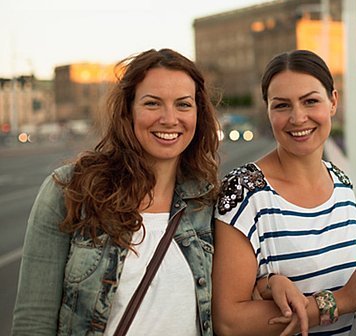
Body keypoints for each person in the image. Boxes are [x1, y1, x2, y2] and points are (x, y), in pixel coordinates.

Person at [212, 49, 356, 336]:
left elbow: (325, 264)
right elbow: (229, 322)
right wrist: (340, 302)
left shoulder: (341, 183)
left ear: (333, 102)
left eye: (310, 101)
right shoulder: (244, 191)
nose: (298, 117)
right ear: (267, 110)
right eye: (281, 106)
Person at [12, 48, 221, 335]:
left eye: (183, 105)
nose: (169, 118)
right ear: (128, 110)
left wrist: (270, 283)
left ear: (199, 114)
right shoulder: (71, 190)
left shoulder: (209, 202)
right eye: (152, 104)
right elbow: (33, 321)